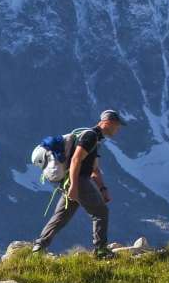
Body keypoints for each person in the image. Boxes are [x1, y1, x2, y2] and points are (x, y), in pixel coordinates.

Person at [32, 109, 124, 258]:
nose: (118, 129)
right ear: (107, 123)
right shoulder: (91, 136)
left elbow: (94, 168)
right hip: (78, 180)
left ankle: (39, 246)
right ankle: (100, 250)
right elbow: (76, 159)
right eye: (116, 125)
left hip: (70, 180)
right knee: (100, 212)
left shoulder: (95, 138)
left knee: (62, 216)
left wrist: (102, 188)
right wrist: (74, 186)